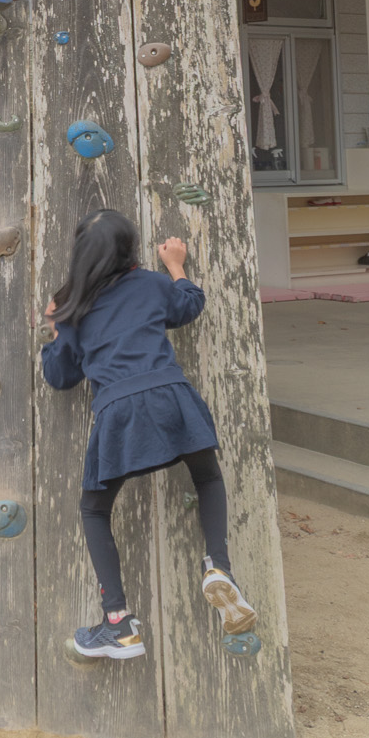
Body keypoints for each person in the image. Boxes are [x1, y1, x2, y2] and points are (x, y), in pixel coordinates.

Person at [40, 208, 255, 660]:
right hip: (171, 396)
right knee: (208, 479)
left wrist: (57, 326)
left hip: (118, 411)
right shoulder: (153, 285)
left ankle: (117, 623)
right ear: (131, 250)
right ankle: (218, 565)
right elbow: (190, 304)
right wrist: (176, 265)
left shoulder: (74, 309)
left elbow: (60, 377)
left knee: (94, 510)